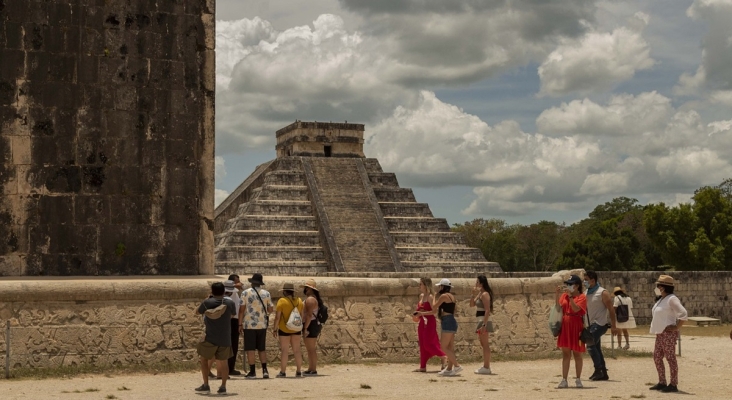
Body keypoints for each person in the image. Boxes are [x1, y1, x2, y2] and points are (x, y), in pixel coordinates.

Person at [195, 282, 236, 394]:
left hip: (210, 337)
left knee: (203, 360)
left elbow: (197, 312)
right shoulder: (229, 302)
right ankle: (223, 386)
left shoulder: (207, 302)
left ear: (212, 291)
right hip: (225, 337)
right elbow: (232, 315)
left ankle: (206, 385)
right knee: (224, 363)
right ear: (223, 291)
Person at [649, 275, 688, 393]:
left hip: (668, 333)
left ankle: (673, 384)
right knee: (657, 357)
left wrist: (677, 327)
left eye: (659, 285)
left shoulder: (672, 299)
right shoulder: (662, 299)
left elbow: (683, 313)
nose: (657, 287)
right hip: (660, 333)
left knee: (670, 358)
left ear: (664, 287)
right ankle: (662, 381)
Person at [583, 270, 619, 381]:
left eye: (586, 280)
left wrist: (613, 326)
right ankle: (603, 372)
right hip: (590, 325)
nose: (584, 282)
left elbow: (611, 309)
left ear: (593, 280)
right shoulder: (586, 292)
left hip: (599, 324)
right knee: (596, 348)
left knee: (590, 345)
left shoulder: (603, 292)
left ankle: (598, 370)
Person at [239, 273, 274, 379]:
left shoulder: (245, 293)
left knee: (250, 349)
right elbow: (270, 309)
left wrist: (240, 324)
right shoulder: (266, 293)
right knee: (261, 348)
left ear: (252, 282)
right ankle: (265, 370)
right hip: (262, 324)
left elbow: (241, 310)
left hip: (249, 324)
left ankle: (252, 371)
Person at [555, 275, 587, 389]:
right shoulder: (564, 295)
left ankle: (578, 379)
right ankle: (564, 379)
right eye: (567, 284)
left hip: (576, 327)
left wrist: (571, 297)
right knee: (566, 354)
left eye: (570, 284)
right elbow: (558, 308)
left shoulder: (582, 297)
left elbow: (576, 309)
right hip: (565, 326)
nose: (568, 286)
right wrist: (557, 295)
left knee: (577, 354)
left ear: (577, 286)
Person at [412, 278, 447, 373]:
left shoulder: (431, 297)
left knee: (428, 343)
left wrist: (421, 313)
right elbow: (419, 310)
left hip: (430, 322)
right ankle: (422, 366)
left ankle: (443, 356)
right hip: (422, 323)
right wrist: (416, 315)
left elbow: (434, 311)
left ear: (425, 285)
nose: (419, 286)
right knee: (422, 344)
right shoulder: (421, 296)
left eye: (421, 284)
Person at [272, 282, 304, 378]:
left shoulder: (281, 301)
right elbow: (301, 315)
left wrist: (274, 329)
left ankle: (283, 371)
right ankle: (298, 371)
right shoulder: (299, 301)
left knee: (285, 350)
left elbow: (278, 317)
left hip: (284, 328)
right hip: (296, 329)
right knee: (297, 350)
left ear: (284, 292)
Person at [433, 278, 462, 376]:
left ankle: (457, 366)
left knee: (443, 347)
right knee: (450, 347)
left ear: (443, 287)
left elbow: (434, 307)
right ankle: (449, 369)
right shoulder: (452, 296)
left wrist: (434, 297)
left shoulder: (444, 296)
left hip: (447, 321)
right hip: (451, 320)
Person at [470, 275, 494, 375]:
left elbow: (487, 310)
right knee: (483, 344)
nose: (476, 284)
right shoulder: (480, 294)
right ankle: (485, 365)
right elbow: (472, 305)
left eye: (477, 282)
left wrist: (484, 324)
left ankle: (487, 367)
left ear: (481, 283)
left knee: (485, 344)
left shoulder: (485, 294)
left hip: (484, 320)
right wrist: (473, 294)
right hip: (480, 319)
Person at [302, 279, 323, 375]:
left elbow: (309, 315)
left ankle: (313, 369)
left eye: (306, 288)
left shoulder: (310, 300)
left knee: (311, 349)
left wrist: (305, 328)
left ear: (310, 289)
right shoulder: (313, 298)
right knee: (310, 349)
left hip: (310, 324)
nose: (305, 289)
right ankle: (311, 368)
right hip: (312, 324)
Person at [223, 280, 243, 376]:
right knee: (231, 345)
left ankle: (229, 367)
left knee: (232, 346)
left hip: (231, 321)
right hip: (232, 320)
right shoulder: (232, 295)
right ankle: (228, 368)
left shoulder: (234, 294)